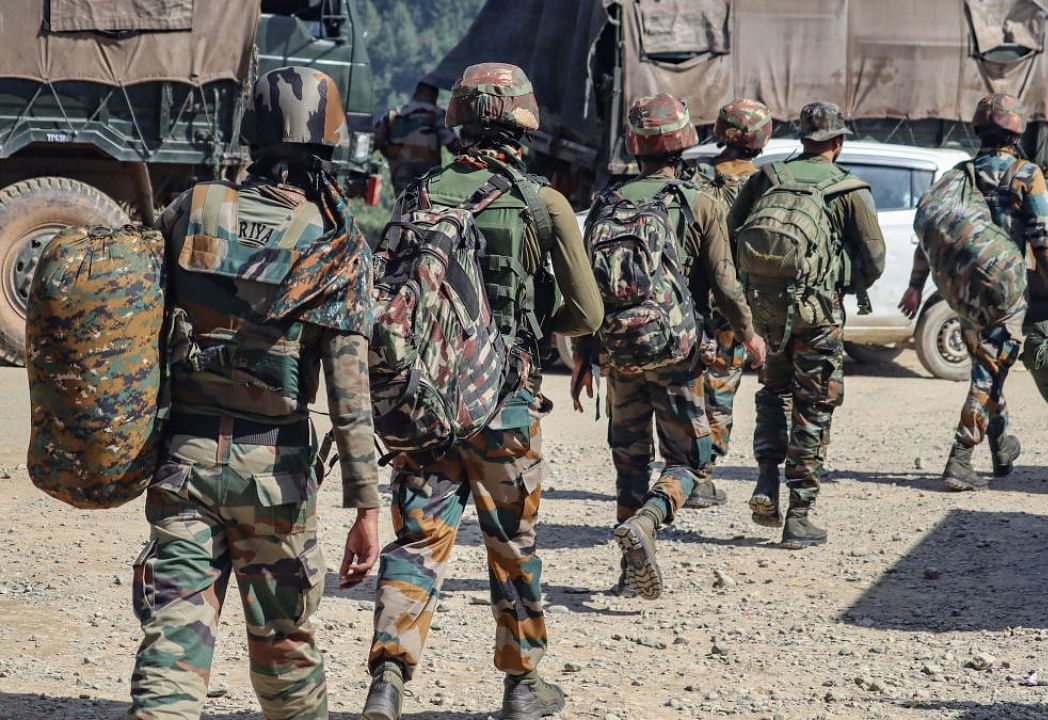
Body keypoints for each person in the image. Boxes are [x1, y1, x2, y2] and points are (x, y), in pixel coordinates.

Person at [127, 66, 379, 720]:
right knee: (285, 645)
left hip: (184, 464)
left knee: (173, 642)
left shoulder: (191, 209)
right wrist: (368, 506)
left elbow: (136, 323)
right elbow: (350, 392)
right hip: (277, 478)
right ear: (328, 142)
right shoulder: (334, 241)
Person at [361, 62, 603, 720]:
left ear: (459, 122)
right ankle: (523, 686)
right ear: (522, 123)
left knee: (417, 540)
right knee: (511, 542)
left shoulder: (417, 196)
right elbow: (587, 314)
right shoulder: (541, 202)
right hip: (506, 403)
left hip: (426, 405)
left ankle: (387, 680)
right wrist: (526, 326)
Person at [574, 93, 766, 599]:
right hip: (678, 352)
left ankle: (626, 571)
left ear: (635, 145)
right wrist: (749, 335)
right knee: (688, 460)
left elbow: (584, 288)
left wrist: (582, 355)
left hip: (618, 351)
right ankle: (650, 523)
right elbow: (725, 283)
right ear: (684, 141)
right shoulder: (698, 201)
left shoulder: (606, 203)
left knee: (629, 459)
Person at [728, 101, 885, 548]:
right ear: (837, 142)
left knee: (772, 392)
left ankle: (765, 481)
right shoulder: (848, 188)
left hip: (769, 312)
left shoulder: (768, 177)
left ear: (803, 138)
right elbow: (873, 258)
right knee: (814, 405)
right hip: (819, 316)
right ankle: (799, 515)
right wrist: (845, 282)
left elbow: (733, 229)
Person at [899, 93, 1048, 491]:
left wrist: (915, 285)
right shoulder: (1026, 174)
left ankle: (1002, 448)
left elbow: (933, 232)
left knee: (988, 364)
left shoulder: (959, 175)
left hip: (961, 288)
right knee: (990, 370)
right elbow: (1044, 234)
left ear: (979, 131)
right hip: (1004, 287)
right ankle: (959, 458)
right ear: (1016, 131)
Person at [683, 98, 773, 509]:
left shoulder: (693, 179)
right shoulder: (764, 185)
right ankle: (702, 474)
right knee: (721, 388)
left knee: (689, 385)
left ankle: (681, 466)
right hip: (734, 306)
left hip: (687, 303)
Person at [373, 80, 461, 193]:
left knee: (404, 206)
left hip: (401, 174)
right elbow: (452, 144)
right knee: (426, 207)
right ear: (433, 95)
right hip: (428, 176)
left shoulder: (394, 115)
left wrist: (389, 154)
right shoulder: (436, 114)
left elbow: (373, 142)